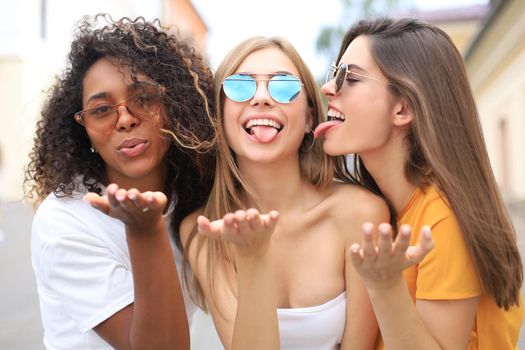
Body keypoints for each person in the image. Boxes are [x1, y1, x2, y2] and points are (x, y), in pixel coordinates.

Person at [315, 17, 524, 349]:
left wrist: (384, 287)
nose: (328, 89)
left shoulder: (444, 219)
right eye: (333, 75)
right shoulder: (383, 208)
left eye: (350, 78)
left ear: (403, 108)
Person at [180, 36, 388, 350]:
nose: (262, 97)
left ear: (308, 117)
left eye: (283, 86)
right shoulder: (203, 231)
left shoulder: (361, 212)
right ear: (219, 118)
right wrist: (253, 257)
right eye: (239, 86)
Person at [24, 15, 216, 349]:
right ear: (83, 129)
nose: (125, 119)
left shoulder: (192, 193)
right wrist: (145, 230)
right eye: (101, 110)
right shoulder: (64, 221)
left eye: (143, 98)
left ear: (175, 104)